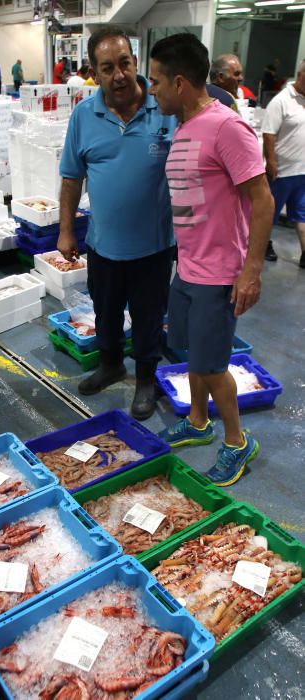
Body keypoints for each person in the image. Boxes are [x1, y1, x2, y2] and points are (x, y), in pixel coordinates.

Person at [149, 33, 274, 486]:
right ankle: (199, 422)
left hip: (218, 273)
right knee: (191, 355)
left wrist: (251, 272)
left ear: (180, 82)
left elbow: (262, 199)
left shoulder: (227, 127)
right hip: (188, 267)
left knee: (214, 364)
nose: (152, 90)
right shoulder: (183, 125)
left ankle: (239, 443)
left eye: (157, 81)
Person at [58, 25, 176, 420]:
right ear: (95, 72)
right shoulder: (83, 115)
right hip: (104, 244)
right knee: (105, 311)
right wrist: (65, 230)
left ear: (135, 62)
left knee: (148, 316)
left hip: (154, 246)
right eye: (107, 68)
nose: (118, 75)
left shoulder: (165, 108)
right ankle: (110, 364)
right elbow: (72, 178)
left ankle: (146, 378)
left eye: (124, 64)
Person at [262, 60, 305, 268]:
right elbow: (268, 133)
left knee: (302, 214)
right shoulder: (281, 101)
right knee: (269, 212)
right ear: (301, 74)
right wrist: (271, 162)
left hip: (303, 171)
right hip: (282, 171)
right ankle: (262, 245)